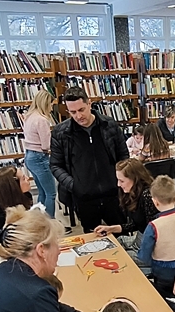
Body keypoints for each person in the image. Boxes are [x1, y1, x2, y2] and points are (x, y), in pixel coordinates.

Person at [50, 86, 130, 233]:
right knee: (92, 237)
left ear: (89, 104)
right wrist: (74, 185)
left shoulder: (109, 125)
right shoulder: (61, 133)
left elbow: (123, 155)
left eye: (81, 110)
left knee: (121, 233)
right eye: (73, 112)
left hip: (113, 194)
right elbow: (55, 165)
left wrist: (121, 181)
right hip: (84, 198)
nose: (78, 116)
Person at [93, 159, 156, 264]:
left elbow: (153, 232)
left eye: (122, 181)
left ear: (135, 179)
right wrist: (111, 228)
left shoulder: (147, 196)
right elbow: (138, 224)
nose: (118, 184)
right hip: (140, 239)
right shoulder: (133, 192)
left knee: (116, 256)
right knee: (116, 242)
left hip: (148, 247)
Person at [22, 90, 57, 217]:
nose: (51, 108)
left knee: (42, 192)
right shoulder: (42, 120)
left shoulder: (29, 116)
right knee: (51, 193)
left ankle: (40, 220)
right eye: (51, 105)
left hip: (29, 156)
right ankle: (50, 223)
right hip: (40, 157)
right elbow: (46, 145)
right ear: (45, 104)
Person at [0, 166, 33, 247]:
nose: (28, 178)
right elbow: (12, 237)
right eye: (23, 178)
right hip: (9, 248)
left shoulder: (26, 196)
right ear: (14, 186)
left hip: (28, 240)